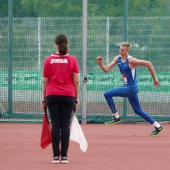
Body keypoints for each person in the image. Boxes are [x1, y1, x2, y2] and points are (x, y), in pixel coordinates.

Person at [96, 42, 163, 136]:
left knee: (107, 94)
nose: (120, 51)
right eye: (120, 49)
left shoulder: (131, 60)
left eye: (122, 49)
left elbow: (149, 63)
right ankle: (157, 126)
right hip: (129, 88)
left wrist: (155, 79)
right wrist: (100, 64)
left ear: (127, 51)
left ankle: (116, 117)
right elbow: (106, 70)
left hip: (131, 88)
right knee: (137, 110)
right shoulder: (117, 58)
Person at [42, 34, 80, 164]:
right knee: (65, 125)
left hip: (51, 94)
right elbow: (76, 82)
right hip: (68, 95)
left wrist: (44, 99)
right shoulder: (73, 60)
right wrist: (76, 99)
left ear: (56, 44)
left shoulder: (48, 60)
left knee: (55, 124)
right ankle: (64, 157)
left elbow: (45, 82)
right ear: (66, 43)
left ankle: (54, 156)